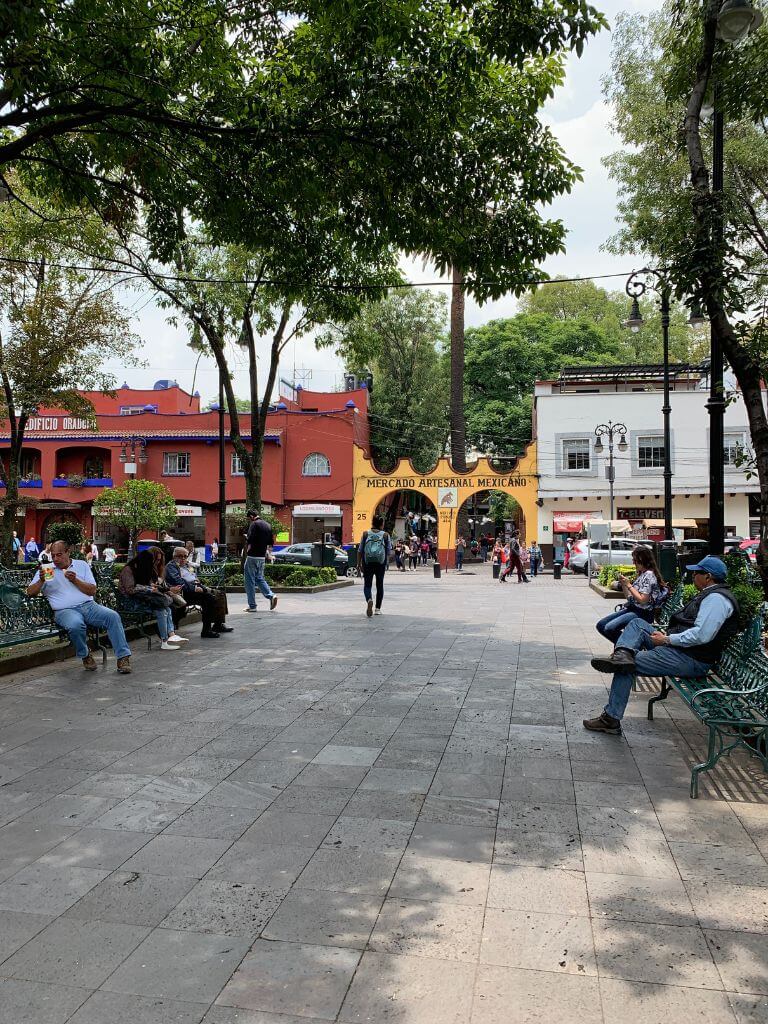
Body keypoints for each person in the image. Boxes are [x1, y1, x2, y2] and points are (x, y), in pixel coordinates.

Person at [584, 556, 739, 735]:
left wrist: (666, 640)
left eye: (696, 572)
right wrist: (668, 638)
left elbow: (701, 636)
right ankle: (622, 653)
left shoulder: (716, 600)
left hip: (690, 659)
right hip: (682, 649)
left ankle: (610, 719)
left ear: (708, 576)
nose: (693, 575)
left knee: (625, 667)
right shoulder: (711, 594)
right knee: (637, 623)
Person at [26, 540, 132, 673]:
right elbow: (30, 593)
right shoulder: (47, 569)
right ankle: (85, 654)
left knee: (113, 616)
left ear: (68, 552)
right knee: (76, 625)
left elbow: (92, 590)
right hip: (64, 610)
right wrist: (41, 581)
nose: (56, 559)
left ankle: (123, 658)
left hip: (89, 606)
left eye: (59, 555)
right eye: (53, 555)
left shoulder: (81, 565)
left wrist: (75, 580)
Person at [595, 546, 667, 644]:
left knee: (609, 628)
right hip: (633, 609)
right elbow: (630, 598)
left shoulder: (649, 575)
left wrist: (629, 585)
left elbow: (643, 600)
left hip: (643, 613)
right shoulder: (642, 574)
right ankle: (625, 647)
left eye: (635, 560)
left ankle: (625, 648)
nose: (634, 563)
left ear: (643, 560)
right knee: (601, 625)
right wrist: (624, 585)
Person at [118, 550, 185, 651]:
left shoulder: (141, 569)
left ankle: (171, 635)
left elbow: (147, 584)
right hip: (131, 602)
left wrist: (154, 587)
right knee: (161, 610)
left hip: (142, 599)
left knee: (167, 608)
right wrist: (149, 589)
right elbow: (130, 590)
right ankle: (165, 640)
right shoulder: (128, 570)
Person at [166, 546, 232, 637]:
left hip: (196, 587)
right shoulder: (171, 566)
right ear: (174, 557)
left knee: (220, 594)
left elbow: (193, 575)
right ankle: (206, 630)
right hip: (185, 592)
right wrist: (194, 588)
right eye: (180, 556)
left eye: (185, 556)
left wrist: (197, 581)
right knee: (209, 598)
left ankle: (218, 624)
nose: (183, 558)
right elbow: (178, 582)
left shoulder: (186, 565)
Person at [243, 509, 278, 612]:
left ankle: (252, 606)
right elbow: (271, 542)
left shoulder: (254, 524)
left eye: (249, 518)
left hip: (252, 556)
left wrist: (246, 537)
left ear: (251, 516)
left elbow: (250, 539)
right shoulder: (267, 525)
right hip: (262, 556)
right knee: (259, 578)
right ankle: (271, 596)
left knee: (249, 581)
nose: (250, 520)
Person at [358, 513, 392, 616]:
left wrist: (358, 564)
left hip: (367, 562)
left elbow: (360, 550)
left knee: (367, 585)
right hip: (380, 563)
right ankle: (377, 609)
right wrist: (386, 563)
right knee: (379, 585)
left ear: (372, 523)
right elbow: (388, 551)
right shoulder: (385, 535)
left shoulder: (365, 534)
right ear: (382, 524)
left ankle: (369, 600)